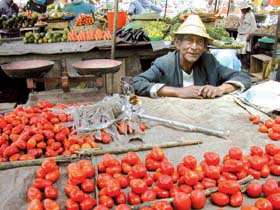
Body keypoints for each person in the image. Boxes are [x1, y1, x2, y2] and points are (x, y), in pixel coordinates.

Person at [132, 15, 251, 99]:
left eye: (199, 42)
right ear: (178, 44)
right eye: (189, 41)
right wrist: (178, 92)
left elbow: (243, 77)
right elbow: (137, 83)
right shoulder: (165, 63)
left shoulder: (208, 61)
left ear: (205, 47)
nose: (194, 47)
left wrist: (220, 89)